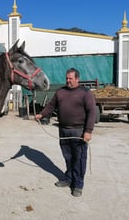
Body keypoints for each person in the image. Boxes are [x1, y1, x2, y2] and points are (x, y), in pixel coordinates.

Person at [35, 67, 96, 197]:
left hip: (79, 131)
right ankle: (68, 179)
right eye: (67, 78)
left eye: (71, 79)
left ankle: (78, 184)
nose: (68, 81)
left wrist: (88, 131)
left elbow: (92, 112)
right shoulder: (60, 92)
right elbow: (51, 105)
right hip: (63, 130)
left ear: (77, 79)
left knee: (79, 159)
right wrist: (41, 114)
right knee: (68, 157)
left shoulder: (85, 93)